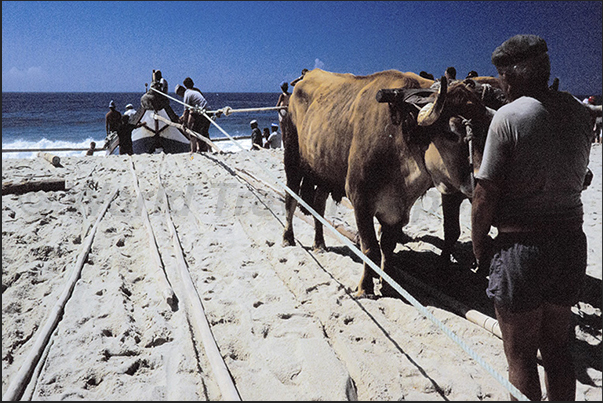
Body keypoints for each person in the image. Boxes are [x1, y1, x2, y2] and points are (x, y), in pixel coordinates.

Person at [471, 34, 593, 401]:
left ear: (513, 73)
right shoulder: (580, 113)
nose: (501, 84)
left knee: (521, 355)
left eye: (502, 75)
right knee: (557, 349)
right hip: (571, 243)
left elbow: (483, 195)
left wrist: (479, 248)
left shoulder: (509, 117)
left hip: (522, 249)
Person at [179, 77, 212, 153]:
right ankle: (209, 150)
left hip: (203, 113)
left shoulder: (187, 94)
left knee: (193, 131)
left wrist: (184, 123)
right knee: (204, 132)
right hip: (208, 111)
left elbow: (186, 111)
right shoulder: (196, 91)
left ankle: (193, 150)